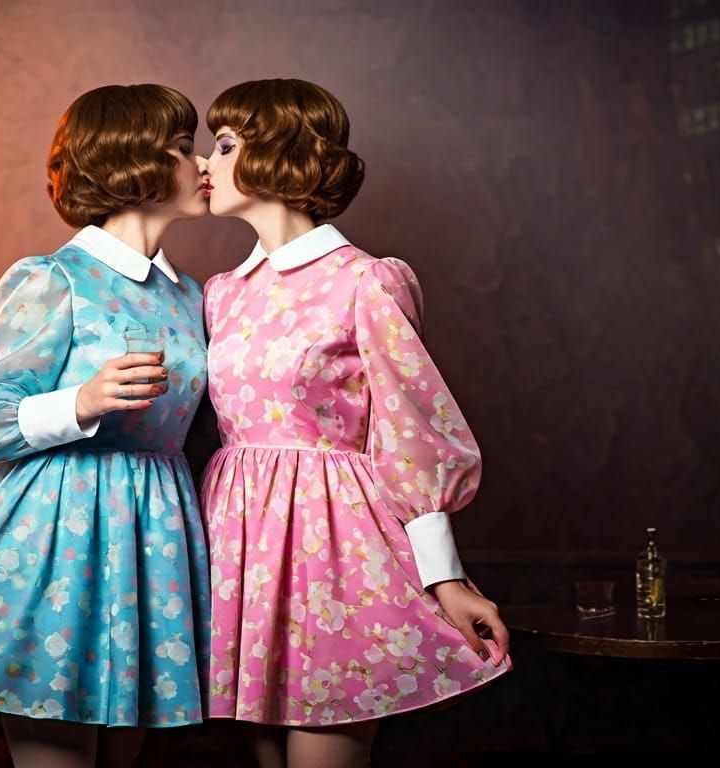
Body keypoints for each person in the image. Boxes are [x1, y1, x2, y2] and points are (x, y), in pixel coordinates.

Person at [0, 83, 214, 768]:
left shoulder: (190, 293)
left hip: (158, 543)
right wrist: (81, 401)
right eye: (184, 148)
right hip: (61, 540)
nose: (204, 164)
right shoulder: (56, 278)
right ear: (131, 160)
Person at [197, 78, 511, 768]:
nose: (202, 165)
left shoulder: (365, 281)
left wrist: (445, 576)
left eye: (222, 147)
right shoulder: (222, 294)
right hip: (241, 554)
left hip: (337, 551)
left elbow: (411, 426)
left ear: (277, 154)